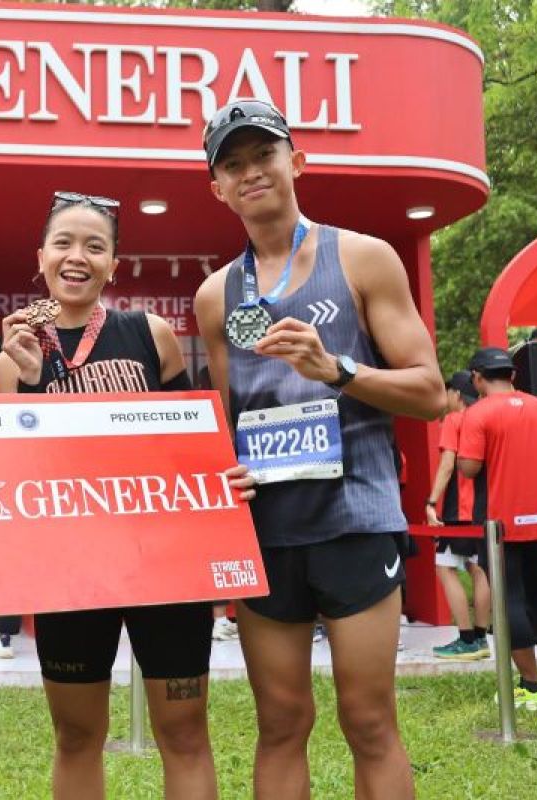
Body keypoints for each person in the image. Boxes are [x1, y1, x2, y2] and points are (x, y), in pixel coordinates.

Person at [193, 99, 443, 800]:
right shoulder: (215, 296)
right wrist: (222, 469)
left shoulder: (363, 257)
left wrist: (337, 368)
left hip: (355, 520)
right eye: (233, 164)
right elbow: (228, 421)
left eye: (263, 155)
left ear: (296, 162)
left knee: (368, 720)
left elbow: (430, 392)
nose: (251, 172)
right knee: (279, 723)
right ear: (217, 188)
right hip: (268, 533)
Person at [0, 190, 219, 799]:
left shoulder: (149, 334)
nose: (77, 256)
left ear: (113, 265)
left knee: (184, 731)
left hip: (163, 561)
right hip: (71, 570)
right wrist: (30, 382)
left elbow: (193, 446)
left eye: (94, 246)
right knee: (75, 734)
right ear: (41, 258)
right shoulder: (11, 361)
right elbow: (17, 478)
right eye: (63, 243)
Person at [457, 347, 537, 710]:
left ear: (477, 378)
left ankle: (531, 687)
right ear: (513, 375)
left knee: (510, 601)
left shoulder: (477, 413)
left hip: (499, 524)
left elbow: (470, 468)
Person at [426, 371, 492, 660]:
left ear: (456, 394)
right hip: (484, 510)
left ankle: (466, 639)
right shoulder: (485, 419)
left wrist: (431, 501)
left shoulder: (454, 420)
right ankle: (481, 637)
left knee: (444, 567)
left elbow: (447, 464)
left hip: (458, 510)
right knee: (479, 569)